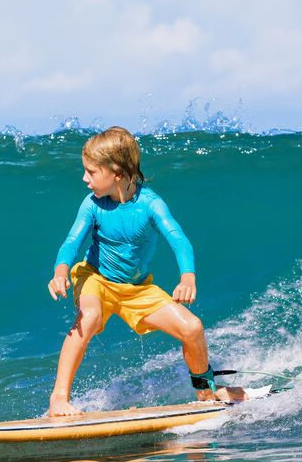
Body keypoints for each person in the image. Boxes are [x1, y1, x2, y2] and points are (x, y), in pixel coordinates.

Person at [47, 126, 246, 417]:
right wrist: (60, 272)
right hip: (95, 279)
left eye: (91, 171)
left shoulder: (150, 204)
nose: (84, 178)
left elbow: (178, 239)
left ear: (116, 172)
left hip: (136, 289)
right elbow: (70, 243)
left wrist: (187, 276)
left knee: (192, 328)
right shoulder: (92, 205)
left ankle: (206, 391)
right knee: (89, 317)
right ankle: (58, 399)